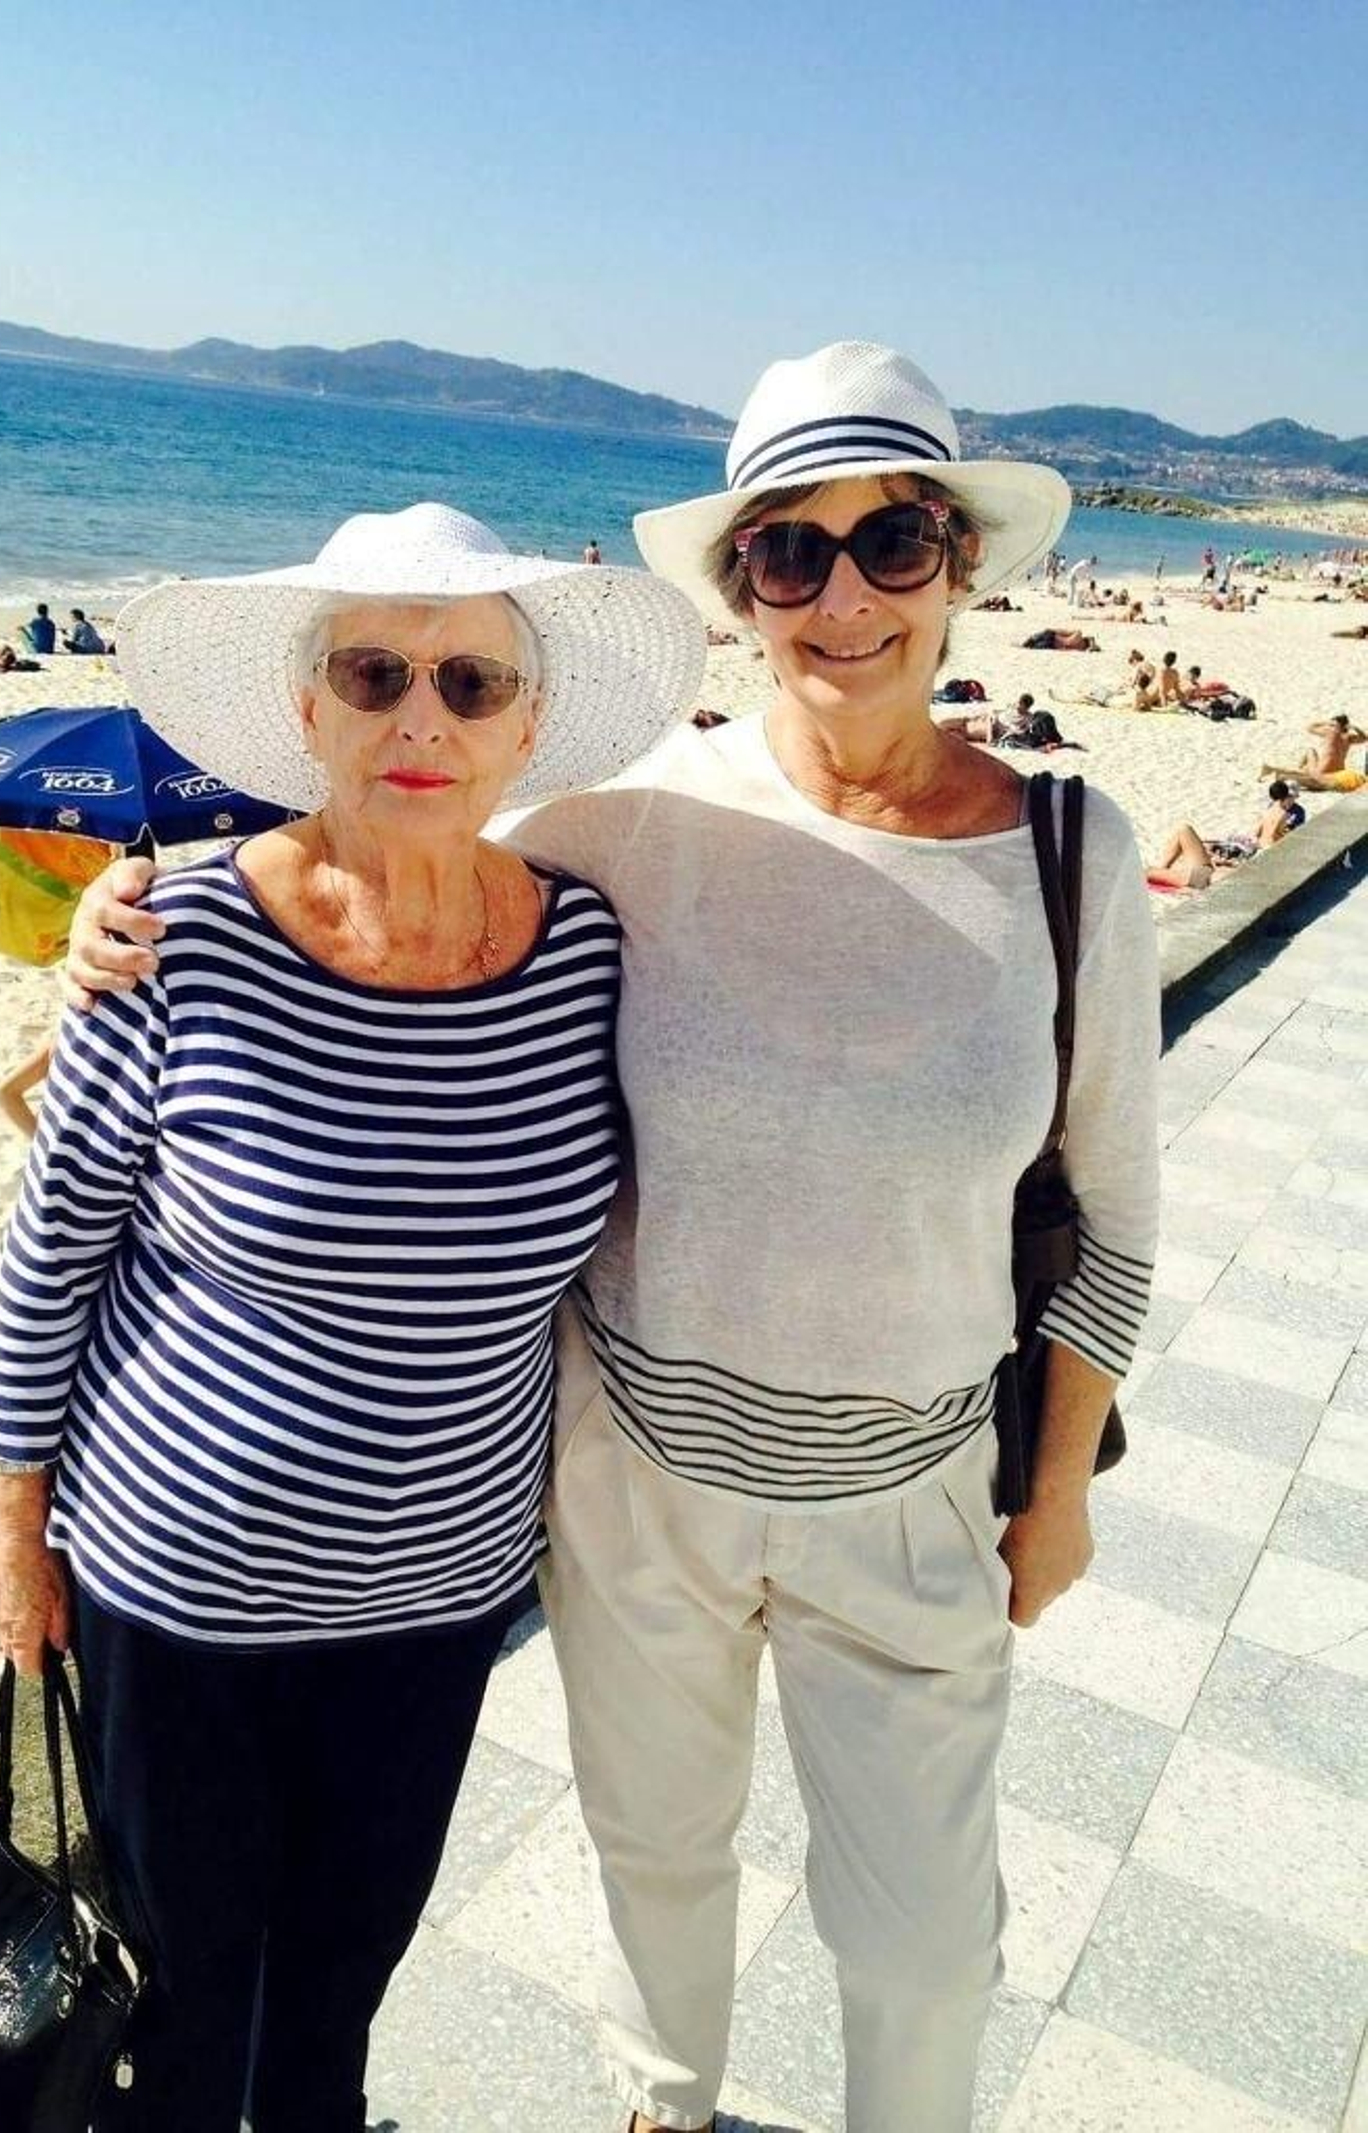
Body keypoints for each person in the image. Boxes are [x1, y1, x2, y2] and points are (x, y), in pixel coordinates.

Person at [64, 344, 1160, 2133]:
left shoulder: (1065, 848)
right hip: (634, 1472)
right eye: (788, 556)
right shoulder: (634, 826)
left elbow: (1115, 1211)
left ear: (962, 560)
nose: (844, 594)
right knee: (657, 1861)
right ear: (738, 595)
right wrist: (126, 926)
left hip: (915, 1491)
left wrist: (1064, 1489)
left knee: (923, 1946)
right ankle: (661, 2104)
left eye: (891, 539)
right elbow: (386, 859)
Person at [0, 500, 703, 2133]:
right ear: (309, 711)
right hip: (181, 1601)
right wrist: (10, 1532)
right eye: (375, 670)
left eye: (469, 680)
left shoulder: (588, 949)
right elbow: (52, 1253)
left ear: (529, 723)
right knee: (188, 1990)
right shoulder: (176, 936)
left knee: (342, 1977)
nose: (421, 716)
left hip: (436, 1602)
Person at [1149, 782, 1303, 888]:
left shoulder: (1270, 820)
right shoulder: (1272, 850)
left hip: (1200, 875)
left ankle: (1162, 868)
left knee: (1153, 872)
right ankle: (1162, 868)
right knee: (1184, 830)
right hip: (1203, 874)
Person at [1262, 714, 1368, 792]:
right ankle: (1273, 769)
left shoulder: (1331, 732)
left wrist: (1326, 722)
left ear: (1336, 725)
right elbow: (1364, 738)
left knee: (1309, 755)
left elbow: (1310, 727)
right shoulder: (1349, 738)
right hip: (1338, 772)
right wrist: (1354, 727)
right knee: (1307, 768)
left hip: (1324, 770)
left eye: (1333, 724)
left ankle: (1273, 769)